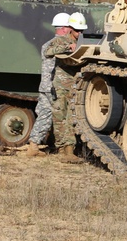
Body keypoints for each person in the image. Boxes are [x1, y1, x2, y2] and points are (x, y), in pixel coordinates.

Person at [21, 12, 70, 157]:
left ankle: (33, 146)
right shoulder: (62, 45)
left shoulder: (46, 44)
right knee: (62, 118)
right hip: (55, 88)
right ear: (65, 28)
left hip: (45, 87)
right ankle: (64, 149)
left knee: (44, 116)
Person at [44, 11, 86, 162]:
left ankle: (70, 150)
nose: (80, 33)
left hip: (76, 85)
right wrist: (68, 48)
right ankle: (61, 149)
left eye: (82, 31)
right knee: (60, 116)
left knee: (71, 118)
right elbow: (48, 51)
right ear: (70, 29)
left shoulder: (83, 42)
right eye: (77, 30)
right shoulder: (61, 41)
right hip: (61, 85)